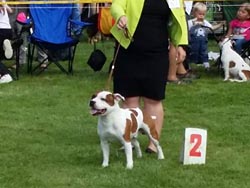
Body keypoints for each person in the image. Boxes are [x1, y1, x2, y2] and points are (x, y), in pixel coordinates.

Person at [110, 0, 188, 153]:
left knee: (154, 98)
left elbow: (179, 19)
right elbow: (116, 5)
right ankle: (130, 140)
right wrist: (120, 16)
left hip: (157, 52)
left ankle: (154, 143)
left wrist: (181, 44)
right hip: (128, 49)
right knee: (129, 98)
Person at [188, 2, 224, 71]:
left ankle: (206, 65)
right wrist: (194, 24)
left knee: (204, 53)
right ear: (194, 13)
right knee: (192, 53)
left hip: (203, 42)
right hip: (193, 43)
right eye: (199, 14)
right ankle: (190, 65)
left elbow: (211, 28)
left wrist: (220, 24)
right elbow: (187, 30)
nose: (201, 16)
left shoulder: (205, 22)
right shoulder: (190, 22)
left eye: (203, 14)